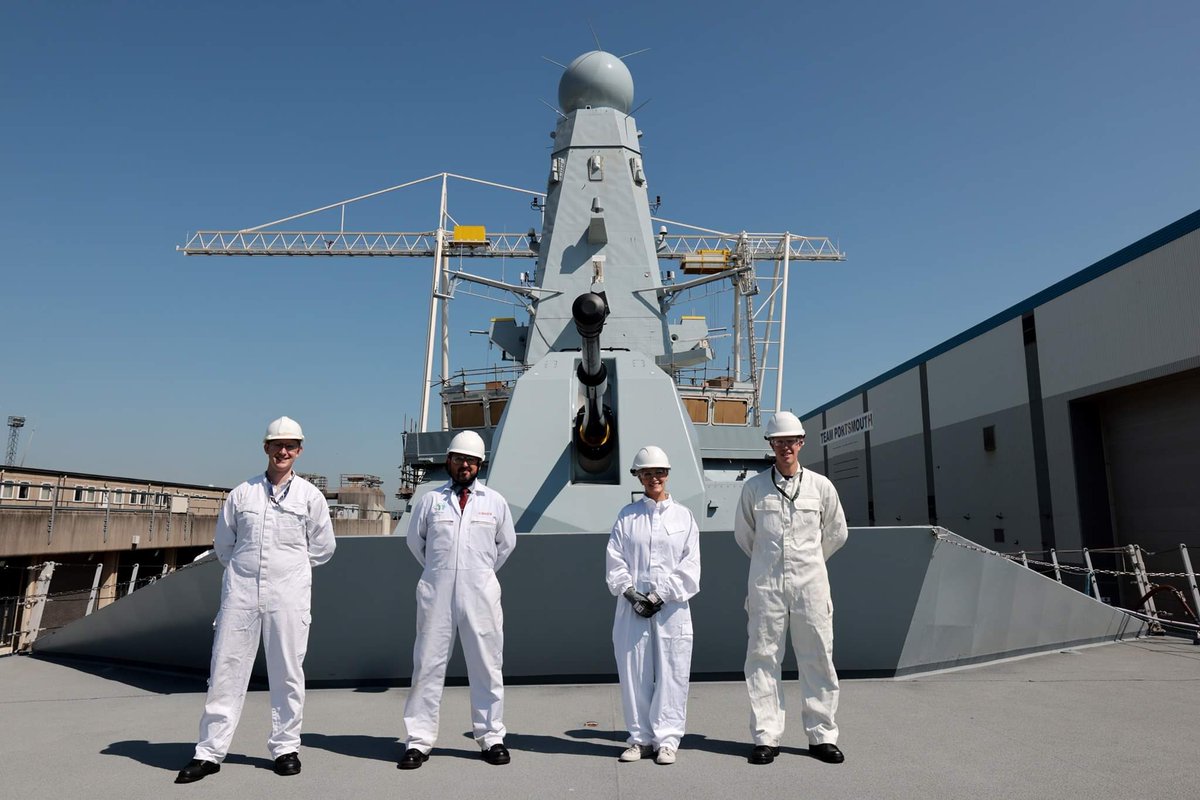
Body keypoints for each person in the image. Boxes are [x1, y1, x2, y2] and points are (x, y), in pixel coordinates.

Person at [176, 416, 336, 783]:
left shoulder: (310, 497)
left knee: (288, 673)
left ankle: (285, 748)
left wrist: (289, 571)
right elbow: (225, 546)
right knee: (226, 671)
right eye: (277, 444)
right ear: (265, 448)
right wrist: (253, 575)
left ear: (299, 450)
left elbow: (323, 548)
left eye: (290, 445)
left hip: (290, 595)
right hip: (241, 593)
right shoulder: (241, 495)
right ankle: (209, 752)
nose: (283, 451)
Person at [734, 411, 848, 766]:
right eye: (779, 441)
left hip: (810, 586)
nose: (785, 447)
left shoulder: (821, 487)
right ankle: (767, 737)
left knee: (817, 657)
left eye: (791, 441)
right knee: (763, 658)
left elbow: (836, 533)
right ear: (771, 445)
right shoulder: (753, 489)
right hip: (766, 585)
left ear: (801, 443)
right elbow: (745, 537)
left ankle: (822, 735)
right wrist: (773, 564)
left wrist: (807, 562)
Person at [399, 430, 517, 770]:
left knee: (487, 665)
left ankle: (491, 736)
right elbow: (415, 543)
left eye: (471, 461)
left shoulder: (494, 502)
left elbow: (505, 546)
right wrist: (443, 572)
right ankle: (418, 741)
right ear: (448, 461)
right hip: (437, 592)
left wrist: (474, 573)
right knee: (427, 665)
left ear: (480, 465)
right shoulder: (430, 502)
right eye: (459, 459)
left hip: (480, 592)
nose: (465, 465)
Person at [605, 446, 701, 766]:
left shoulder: (683, 516)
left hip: (671, 609)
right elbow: (615, 559)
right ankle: (640, 738)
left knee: (673, 672)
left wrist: (660, 596)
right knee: (634, 672)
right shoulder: (627, 516)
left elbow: (690, 566)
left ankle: (668, 739)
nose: (654, 477)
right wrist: (632, 594)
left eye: (659, 472)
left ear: (667, 474)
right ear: (639, 477)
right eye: (647, 473)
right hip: (632, 608)